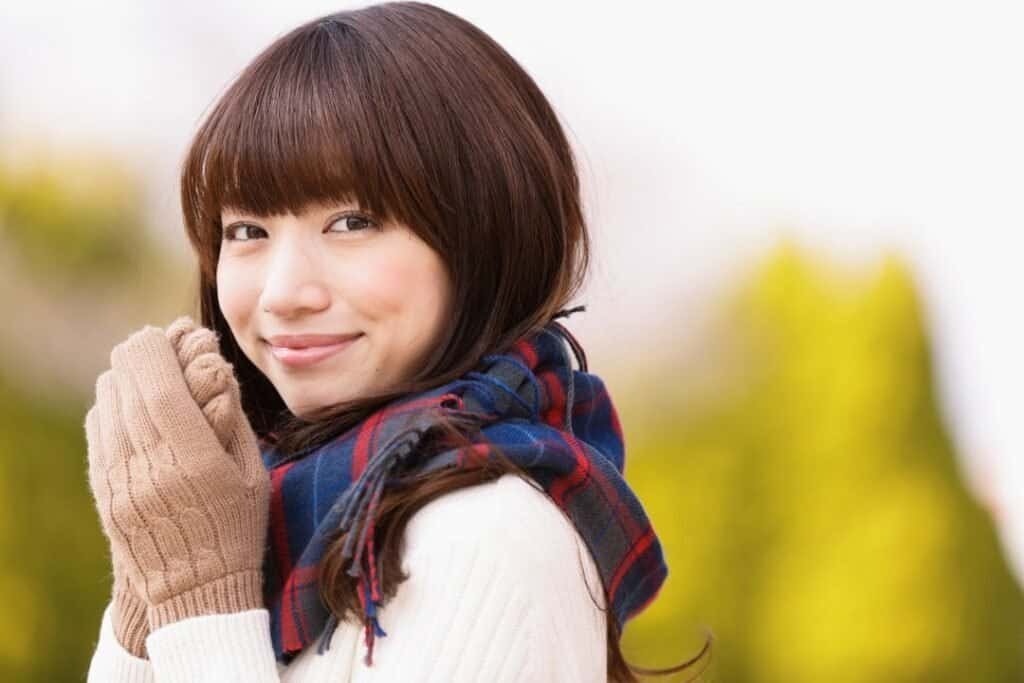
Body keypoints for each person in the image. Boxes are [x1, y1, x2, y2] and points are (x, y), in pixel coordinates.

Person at [84, 2, 712, 681]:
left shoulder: (486, 534)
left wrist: (201, 600)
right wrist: (151, 580)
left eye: (352, 221)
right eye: (246, 230)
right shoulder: (275, 516)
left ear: (487, 233)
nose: (282, 292)